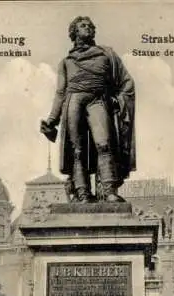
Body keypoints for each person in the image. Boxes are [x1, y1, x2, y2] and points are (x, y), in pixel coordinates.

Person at [41, 16, 136, 203]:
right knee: (77, 149)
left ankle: (109, 190)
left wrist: (118, 100)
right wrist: (52, 119)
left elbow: (127, 82)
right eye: (83, 26)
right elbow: (60, 92)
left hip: (98, 100)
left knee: (104, 144)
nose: (89, 28)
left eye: (91, 26)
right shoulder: (66, 62)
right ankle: (82, 192)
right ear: (74, 32)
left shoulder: (106, 54)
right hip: (73, 101)